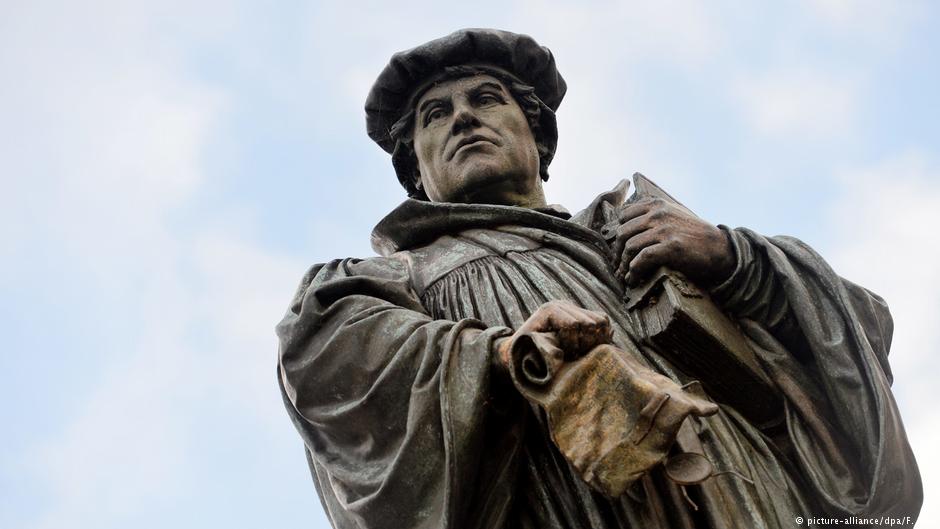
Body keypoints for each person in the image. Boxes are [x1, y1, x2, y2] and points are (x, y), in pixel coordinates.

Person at [277, 29, 921, 528]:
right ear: (415, 169)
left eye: (485, 100)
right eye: (435, 115)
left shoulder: (643, 231)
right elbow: (330, 367)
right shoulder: (386, 279)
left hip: (740, 491)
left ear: (538, 135)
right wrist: (506, 354)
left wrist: (737, 260)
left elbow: (859, 334)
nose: (463, 119)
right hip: (558, 504)